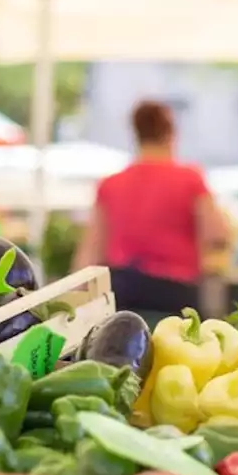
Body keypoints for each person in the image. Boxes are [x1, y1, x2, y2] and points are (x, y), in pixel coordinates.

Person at [74, 100, 227, 316]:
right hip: (175, 292)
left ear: (136, 133)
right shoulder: (190, 179)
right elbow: (217, 234)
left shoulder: (111, 184)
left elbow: (91, 249)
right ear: (170, 133)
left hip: (122, 290)